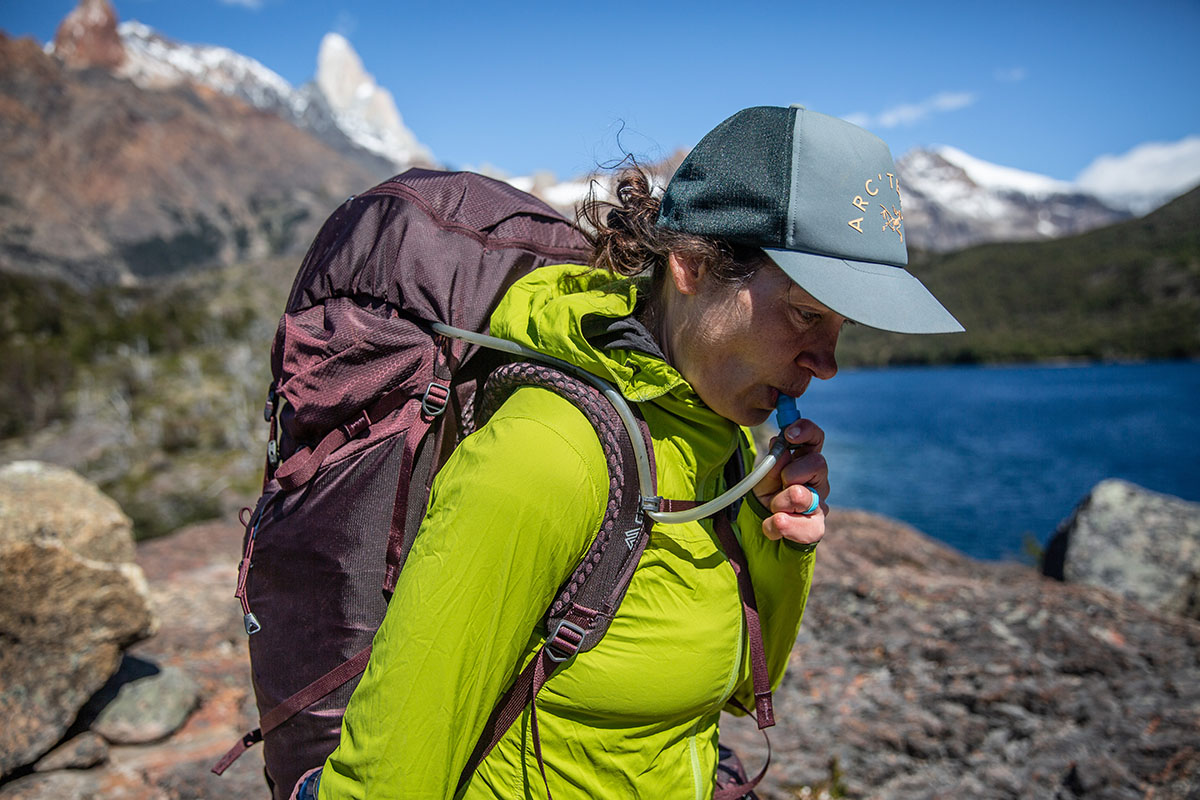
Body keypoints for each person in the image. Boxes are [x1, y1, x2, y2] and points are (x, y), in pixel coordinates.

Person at [315, 105, 962, 800]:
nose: (827, 362)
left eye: (841, 325)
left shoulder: (718, 439)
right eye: (806, 314)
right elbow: (389, 770)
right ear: (692, 265)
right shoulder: (547, 457)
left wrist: (776, 542)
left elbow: (744, 688)